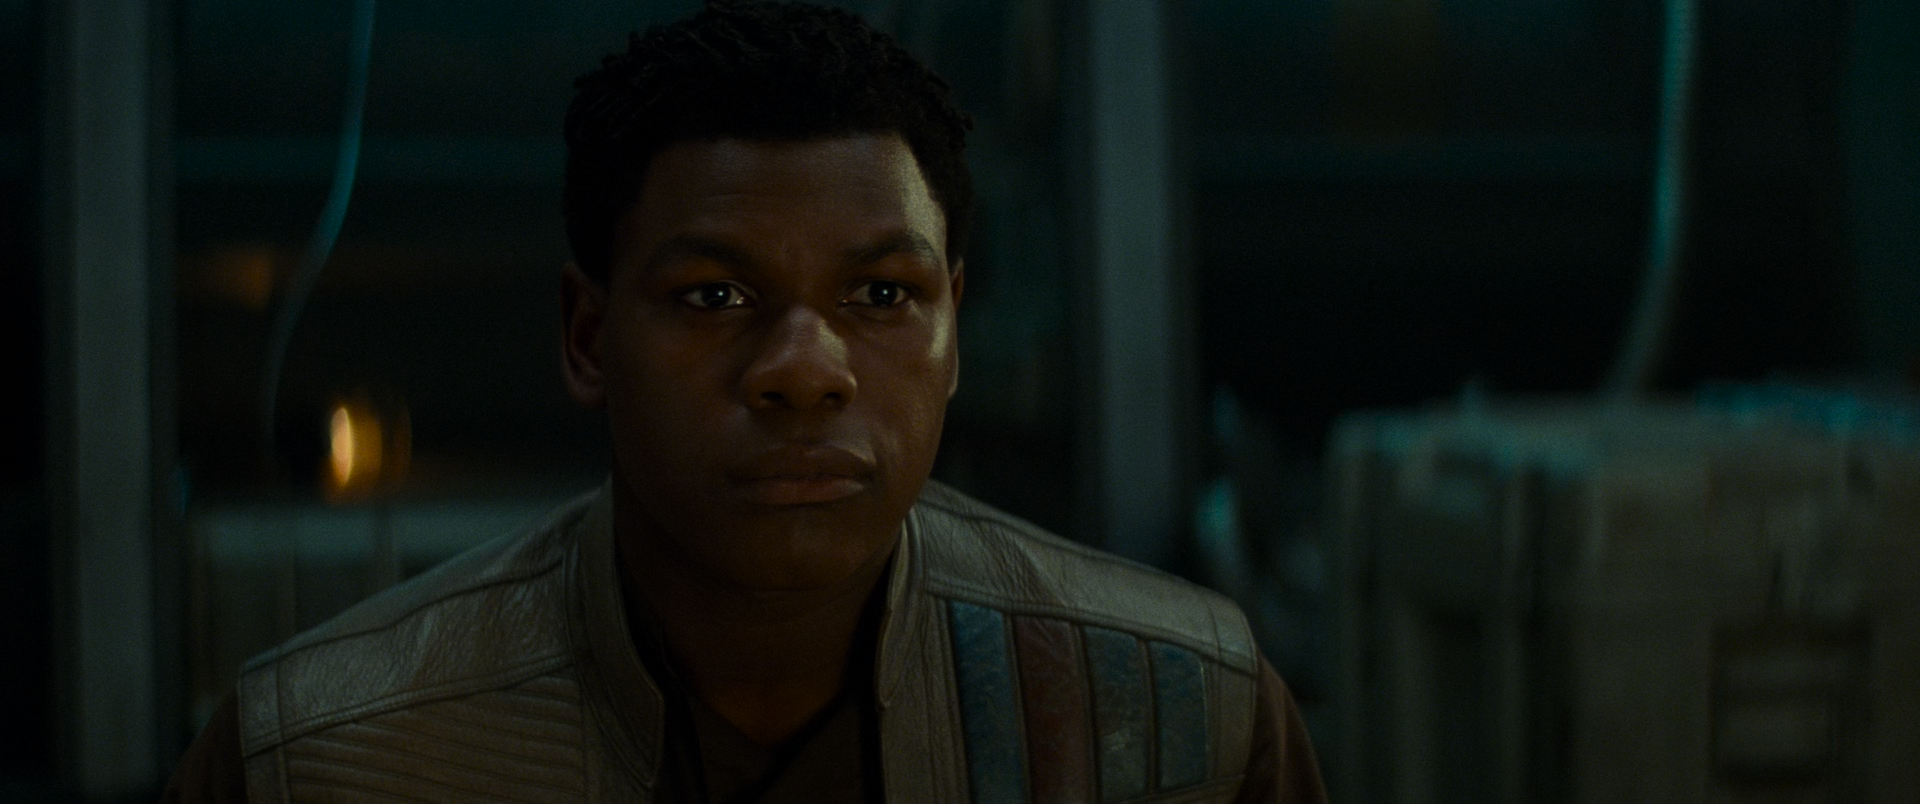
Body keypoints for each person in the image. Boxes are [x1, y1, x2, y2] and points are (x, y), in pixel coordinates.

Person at [164, 1, 1326, 801]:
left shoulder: (1183, 716)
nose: (805, 369)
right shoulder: (326, 758)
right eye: (715, 296)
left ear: (954, 330)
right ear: (587, 337)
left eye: (882, 294)